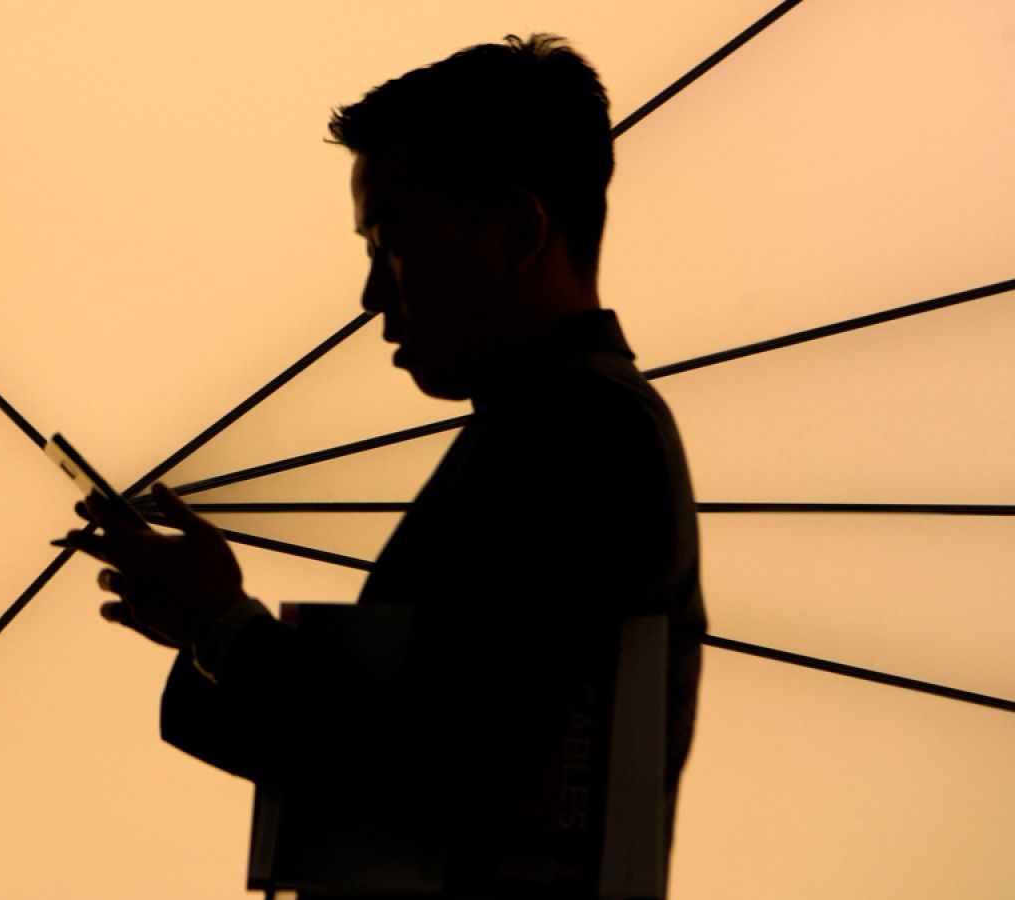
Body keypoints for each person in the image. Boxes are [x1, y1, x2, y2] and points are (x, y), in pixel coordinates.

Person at [61, 34, 705, 898]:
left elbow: (443, 762)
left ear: (518, 231)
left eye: (391, 244)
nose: (373, 295)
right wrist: (214, 631)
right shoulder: (559, 423)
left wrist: (223, 628)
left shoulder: (577, 433)